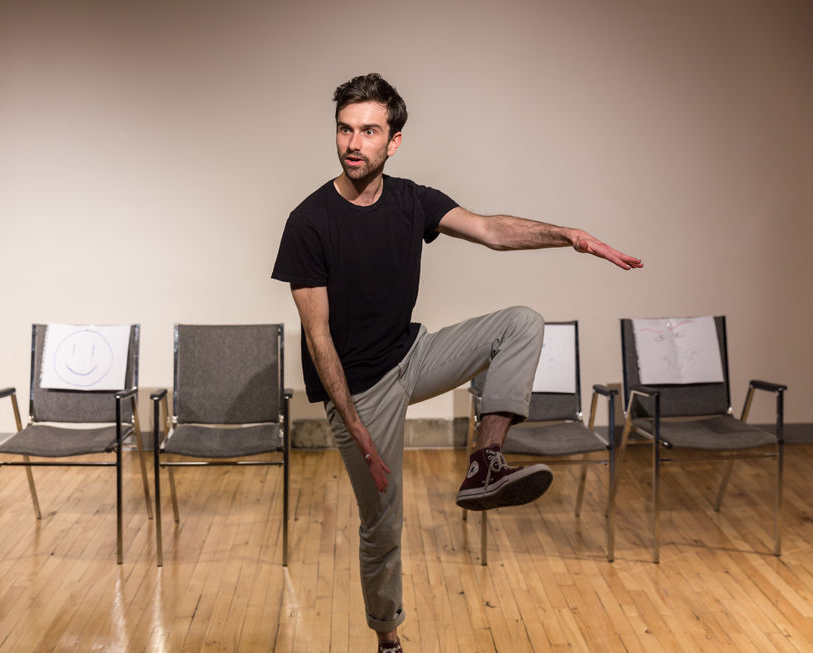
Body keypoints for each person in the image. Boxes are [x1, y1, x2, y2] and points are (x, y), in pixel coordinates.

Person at [271, 73, 643, 653]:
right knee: (383, 524)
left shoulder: (412, 200)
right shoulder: (309, 222)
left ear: (394, 141)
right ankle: (388, 638)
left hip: (412, 354)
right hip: (358, 391)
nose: (353, 143)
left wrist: (569, 235)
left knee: (521, 322)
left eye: (369, 131)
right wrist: (355, 426)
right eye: (345, 129)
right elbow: (318, 338)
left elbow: (492, 229)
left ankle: (485, 463)